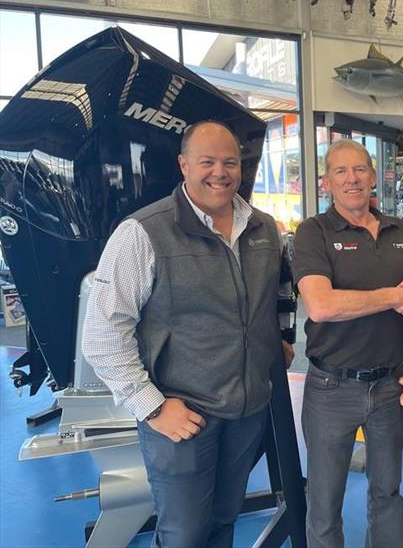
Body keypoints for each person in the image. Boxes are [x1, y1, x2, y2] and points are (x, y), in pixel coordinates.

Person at [82, 120, 294, 548]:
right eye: (208, 161)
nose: (220, 172)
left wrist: (282, 340)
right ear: (183, 165)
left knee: (223, 522)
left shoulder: (264, 229)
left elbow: (282, 290)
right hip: (182, 417)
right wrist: (153, 408)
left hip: (246, 411)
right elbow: (102, 334)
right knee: (184, 536)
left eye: (230, 162)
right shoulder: (142, 233)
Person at [292, 139, 403, 548]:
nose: (352, 179)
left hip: (390, 388)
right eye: (341, 171)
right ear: (327, 181)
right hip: (331, 389)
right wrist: (393, 296)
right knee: (323, 503)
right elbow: (320, 306)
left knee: (387, 494)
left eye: (360, 170)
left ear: (374, 176)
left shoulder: (400, 231)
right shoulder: (313, 233)